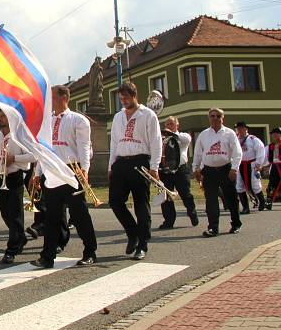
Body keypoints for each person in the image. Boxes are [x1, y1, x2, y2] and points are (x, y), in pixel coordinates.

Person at [31, 85, 98, 268]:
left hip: (71, 170)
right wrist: (38, 172)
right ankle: (47, 256)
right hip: (51, 170)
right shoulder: (47, 122)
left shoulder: (78, 120)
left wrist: (85, 169)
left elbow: (84, 147)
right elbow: (42, 149)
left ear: (64, 97)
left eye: (52, 96)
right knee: (52, 217)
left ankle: (90, 251)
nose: (49, 101)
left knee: (79, 214)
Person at [108, 82, 162, 260]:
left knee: (141, 204)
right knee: (115, 202)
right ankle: (133, 233)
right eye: (121, 98)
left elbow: (155, 141)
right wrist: (111, 165)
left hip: (140, 161)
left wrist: (154, 167)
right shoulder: (118, 117)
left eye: (126, 98)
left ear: (134, 95)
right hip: (121, 162)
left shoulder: (148, 115)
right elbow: (114, 142)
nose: (123, 101)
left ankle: (143, 244)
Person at [0, 111, 34, 263]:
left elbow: (33, 156)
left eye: (3, 116)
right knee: (6, 214)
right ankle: (21, 237)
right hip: (0, 178)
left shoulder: (20, 136)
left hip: (14, 177)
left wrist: (15, 158)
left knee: (15, 214)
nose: (0, 119)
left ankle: (11, 250)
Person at [193, 108, 243, 237]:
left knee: (231, 198)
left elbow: (237, 152)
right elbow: (198, 153)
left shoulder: (229, 133)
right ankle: (213, 228)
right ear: (209, 118)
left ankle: (236, 224)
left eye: (218, 116)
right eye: (212, 116)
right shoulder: (203, 135)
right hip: (209, 171)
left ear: (223, 118)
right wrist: (196, 168)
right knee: (211, 200)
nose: (215, 118)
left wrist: (234, 168)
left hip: (226, 169)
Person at [157, 116, 199, 229]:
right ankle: (169, 221)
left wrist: (171, 134)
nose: (169, 126)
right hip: (166, 171)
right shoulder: (162, 139)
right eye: (167, 124)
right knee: (166, 196)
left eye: (171, 124)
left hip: (180, 169)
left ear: (177, 125)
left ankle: (192, 213)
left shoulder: (184, 136)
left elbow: (184, 140)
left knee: (186, 194)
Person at [234, 122, 267, 213]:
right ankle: (245, 207)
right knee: (239, 186)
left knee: (255, 184)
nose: (239, 130)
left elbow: (260, 150)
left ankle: (262, 201)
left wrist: (259, 163)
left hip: (252, 164)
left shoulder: (253, 139)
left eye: (241, 128)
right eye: (238, 128)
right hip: (240, 165)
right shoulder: (235, 140)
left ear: (246, 129)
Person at [263, 127, 281, 209]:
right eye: (273, 134)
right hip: (274, 166)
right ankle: (269, 201)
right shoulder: (270, 146)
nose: (274, 136)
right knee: (272, 184)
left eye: (276, 134)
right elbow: (268, 158)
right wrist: (266, 167)